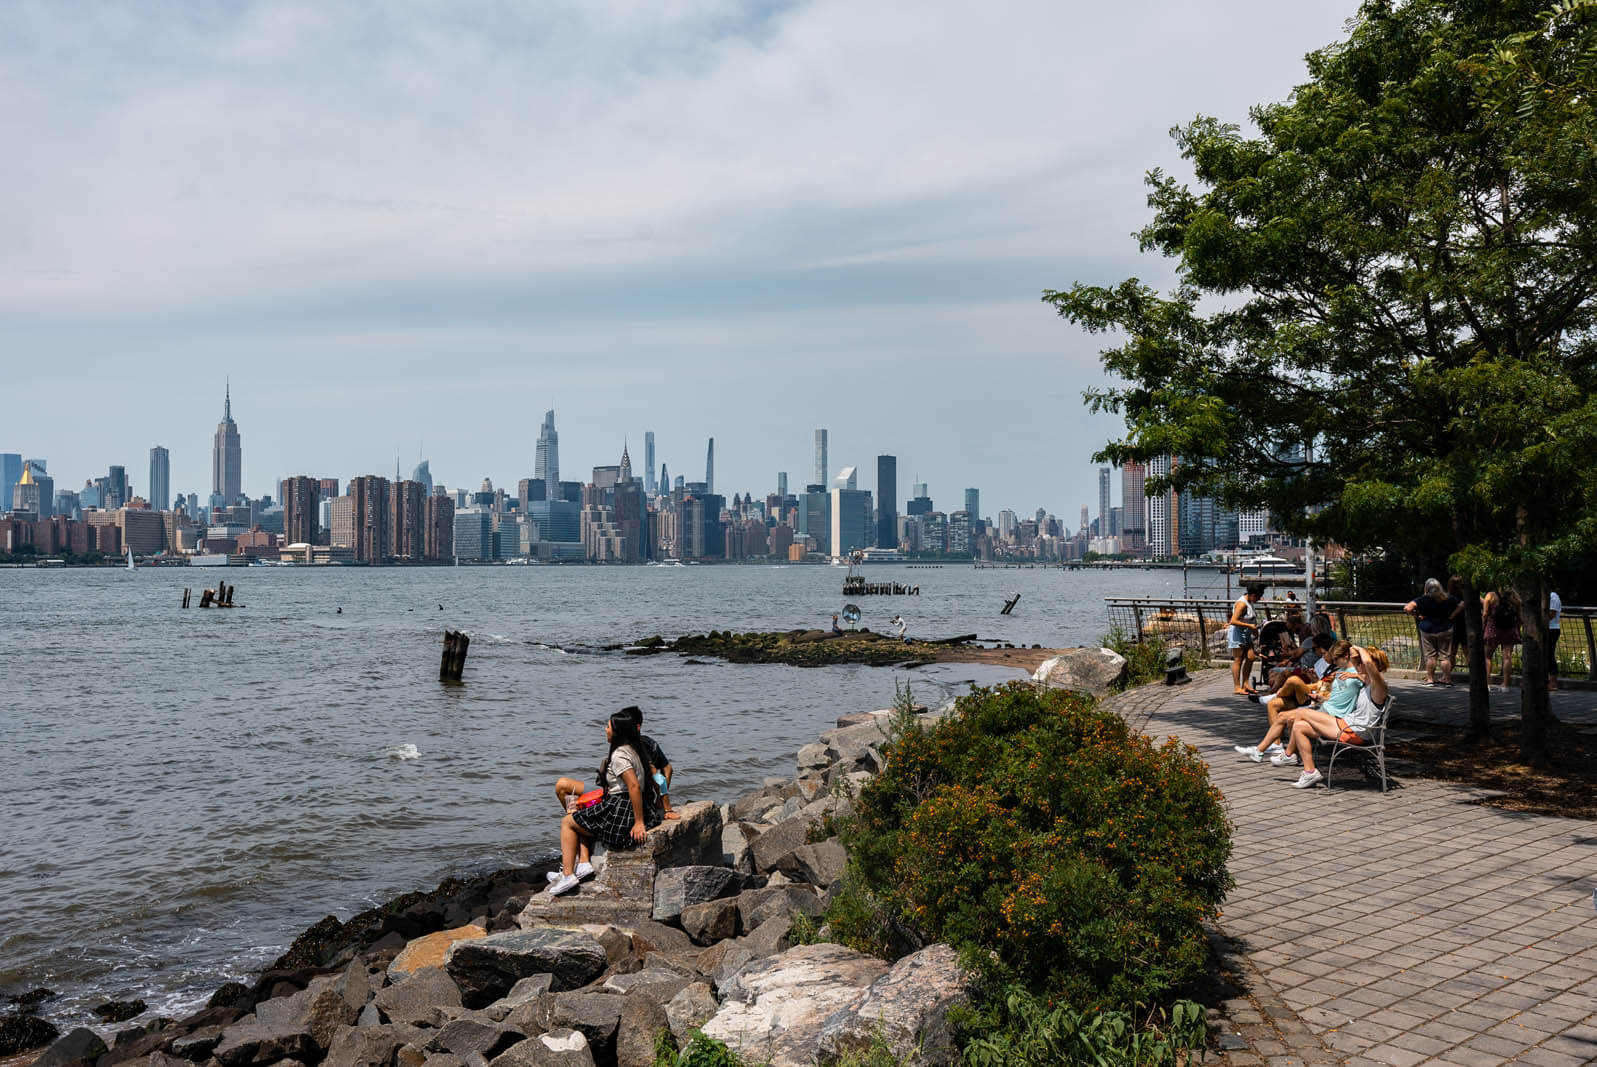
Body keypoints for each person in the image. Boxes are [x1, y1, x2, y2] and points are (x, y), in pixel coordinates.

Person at [547, 707, 663, 896]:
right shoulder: (637, 749)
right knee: (579, 813)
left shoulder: (619, 755)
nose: (605, 729)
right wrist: (661, 806)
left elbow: (633, 786)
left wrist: (639, 822)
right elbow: (657, 778)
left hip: (620, 813)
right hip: (625, 806)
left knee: (567, 822)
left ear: (618, 732)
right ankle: (583, 863)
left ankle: (568, 875)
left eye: (608, 726)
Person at [1235, 637, 1347, 760]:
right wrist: (1312, 678)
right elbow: (1321, 685)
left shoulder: (1341, 672)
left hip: (1318, 701)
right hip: (1315, 696)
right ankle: (1276, 745)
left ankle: (1286, 754)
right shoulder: (1332, 668)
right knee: (1273, 704)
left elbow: (1326, 691)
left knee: (1293, 681)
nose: (1328, 658)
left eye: (1331, 655)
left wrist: (1313, 686)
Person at [1404, 578, 1463, 687]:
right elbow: (1462, 604)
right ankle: (1447, 680)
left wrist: (1416, 614)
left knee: (1430, 656)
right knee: (1445, 656)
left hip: (1427, 629)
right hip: (1445, 628)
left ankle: (1430, 679)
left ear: (1426, 588)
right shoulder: (1447, 598)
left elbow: (1407, 608)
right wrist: (1452, 615)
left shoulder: (1422, 599)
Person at [630, 705, 678, 820]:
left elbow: (658, 778)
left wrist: (667, 808)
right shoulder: (649, 742)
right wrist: (659, 800)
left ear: (637, 727)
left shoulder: (636, 747)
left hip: (638, 803)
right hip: (650, 800)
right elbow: (668, 769)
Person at [1228, 584, 1264, 695]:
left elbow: (1250, 619)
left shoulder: (1250, 602)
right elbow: (1233, 621)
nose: (1259, 599)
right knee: (1238, 660)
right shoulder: (1242, 604)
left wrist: (1254, 630)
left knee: (1251, 657)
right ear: (1253, 595)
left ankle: (1246, 683)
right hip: (1237, 634)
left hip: (1247, 634)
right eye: (1258, 597)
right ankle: (1237, 687)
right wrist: (1250, 627)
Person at [1482, 590, 1521, 691]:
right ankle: (1505, 685)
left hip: (1493, 629)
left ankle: (1487, 684)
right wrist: (1518, 629)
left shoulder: (1490, 595)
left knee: (1487, 657)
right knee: (1507, 658)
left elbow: (1485, 614)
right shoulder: (1515, 597)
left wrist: (1483, 627)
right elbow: (1519, 617)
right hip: (1510, 630)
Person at [1446, 575, 1468, 674]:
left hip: (1453, 626)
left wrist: (1452, 615)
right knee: (1468, 653)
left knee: (1451, 654)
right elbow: (1484, 602)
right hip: (1466, 626)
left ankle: (1446, 676)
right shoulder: (1467, 595)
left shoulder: (1448, 597)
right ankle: (1475, 675)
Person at [1547, 585, 1563, 691]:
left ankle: (1553, 683)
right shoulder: (1548, 596)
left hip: (1552, 629)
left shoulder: (1553, 597)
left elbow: (1551, 614)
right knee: (1545, 656)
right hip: (1548, 628)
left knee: (1549, 655)